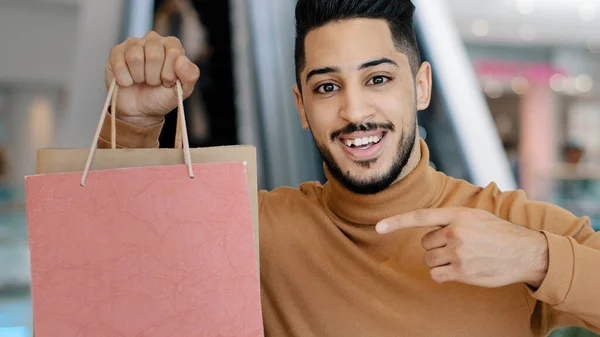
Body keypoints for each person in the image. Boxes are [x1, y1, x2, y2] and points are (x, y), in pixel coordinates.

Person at [100, 0, 600, 335]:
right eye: (326, 87)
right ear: (300, 105)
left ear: (421, 87)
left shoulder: (511, 224)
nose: (355, 111)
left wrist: (538, 258)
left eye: (378, 78)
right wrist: (131, 122)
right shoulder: (257, 230)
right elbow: (110, 267)